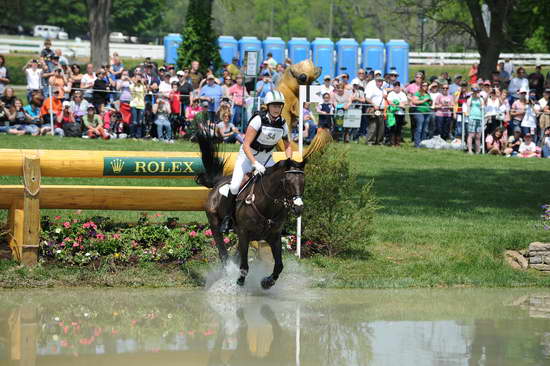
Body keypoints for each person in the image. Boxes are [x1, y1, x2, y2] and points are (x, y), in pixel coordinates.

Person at [219, 90, 293, 233]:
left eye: (279, 106)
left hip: (267, 158)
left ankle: (279, 221)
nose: (277, 109)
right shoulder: (258, 120)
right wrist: (254, 163)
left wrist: (288, 161)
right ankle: (228, 218)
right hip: (248, 156)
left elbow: (287, 145)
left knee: (281, 184)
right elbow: (246, 144)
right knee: (235, 187)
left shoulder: (282, 124)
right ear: (268, 106)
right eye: (274, 106)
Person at [411, 81, 432, 147]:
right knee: (419, 128)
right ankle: (417, 144)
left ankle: (423, 143)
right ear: (421, 86)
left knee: (425, 129)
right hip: (419, 112)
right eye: (423, 85)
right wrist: (424, 100)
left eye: (426, 86)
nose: (425, 87)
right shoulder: (418, 93)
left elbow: (429, 103)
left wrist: (430, 102)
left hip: (427, 112)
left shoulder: (428, 94)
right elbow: (414, 102)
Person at [465, 87, 485, 154]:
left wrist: (479, 98)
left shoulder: (480, 99)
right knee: (471, 135)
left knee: (478, 136)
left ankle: (478, 151)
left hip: (479, 118)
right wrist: (472, 96)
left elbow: (483, 106)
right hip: (472, 117)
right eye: (475, 91)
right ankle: (470, 150)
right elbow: (468, 106)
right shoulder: (470, 99)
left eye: (477, 91)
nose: (476, 93)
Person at [130, 73, 146, 138]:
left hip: (141, 105)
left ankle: (138, 136)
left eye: (139, 78)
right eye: (137, 78)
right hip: (134, 104)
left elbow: (145, 93)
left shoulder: (143, 86)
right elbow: (131, 92)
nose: (138, 79)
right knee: (134, 122)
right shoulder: (132, 85)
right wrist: (135, 83)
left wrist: (143, 83)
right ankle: (133, 135)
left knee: (140, 122)